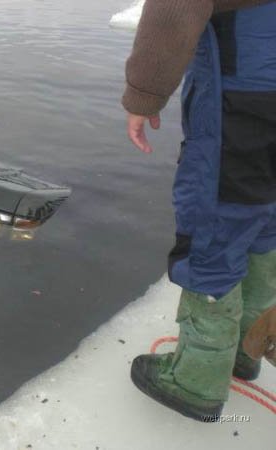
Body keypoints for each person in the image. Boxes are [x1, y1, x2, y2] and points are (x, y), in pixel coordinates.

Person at [122, 0, 276, 421]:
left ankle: (197, 380)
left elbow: (176, 8)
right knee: (264, 219)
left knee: (216, 224)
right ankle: (246, 349)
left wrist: (144, 95)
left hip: (239, 98)